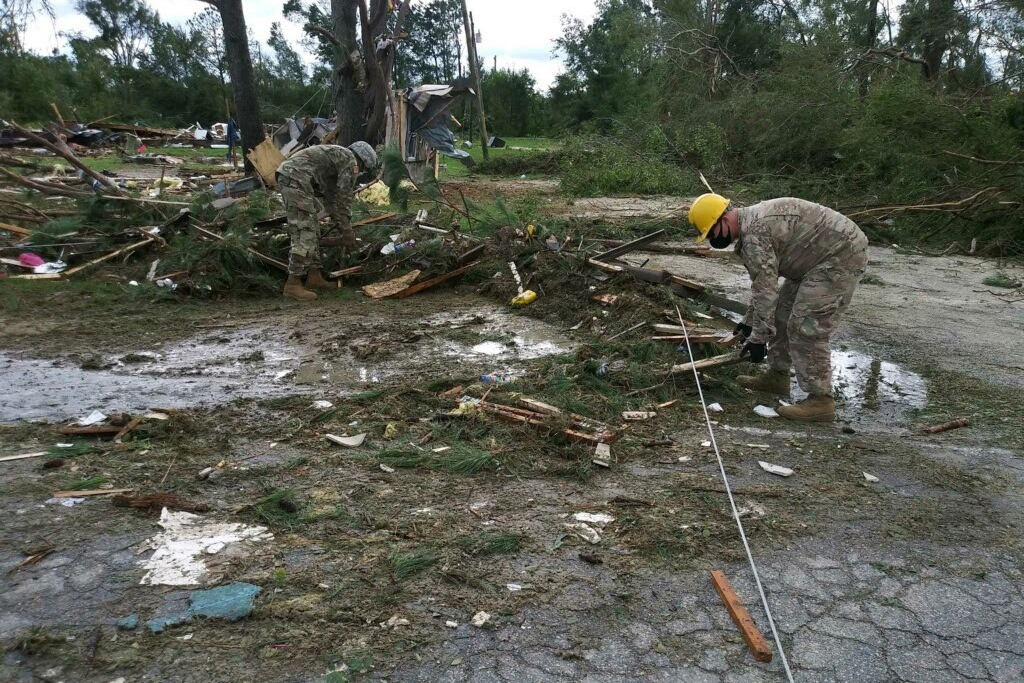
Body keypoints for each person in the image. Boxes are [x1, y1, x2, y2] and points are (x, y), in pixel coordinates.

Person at [688, 194, 869, 422]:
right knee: (782, 314)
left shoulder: (754, 234)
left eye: (710, 234)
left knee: (806, 326)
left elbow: (766, 291)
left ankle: (821, 401)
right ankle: (777, 376)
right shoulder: (752, 226)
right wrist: (749, 321)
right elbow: (764, 285)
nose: (712, 240)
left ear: (723, 220)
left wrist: (758, 338)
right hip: (814, 260)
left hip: (839, 257)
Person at [276, 141, 379, 300]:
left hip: (295, 177)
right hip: (295, 178)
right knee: (305, 231)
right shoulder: (350, 162)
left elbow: (331, 200)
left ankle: (314, 277)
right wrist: (347, 230)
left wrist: (340, 224)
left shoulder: (337, 158)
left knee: (313, 229)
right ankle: (293, 284)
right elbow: (344, 199)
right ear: (362, 161)